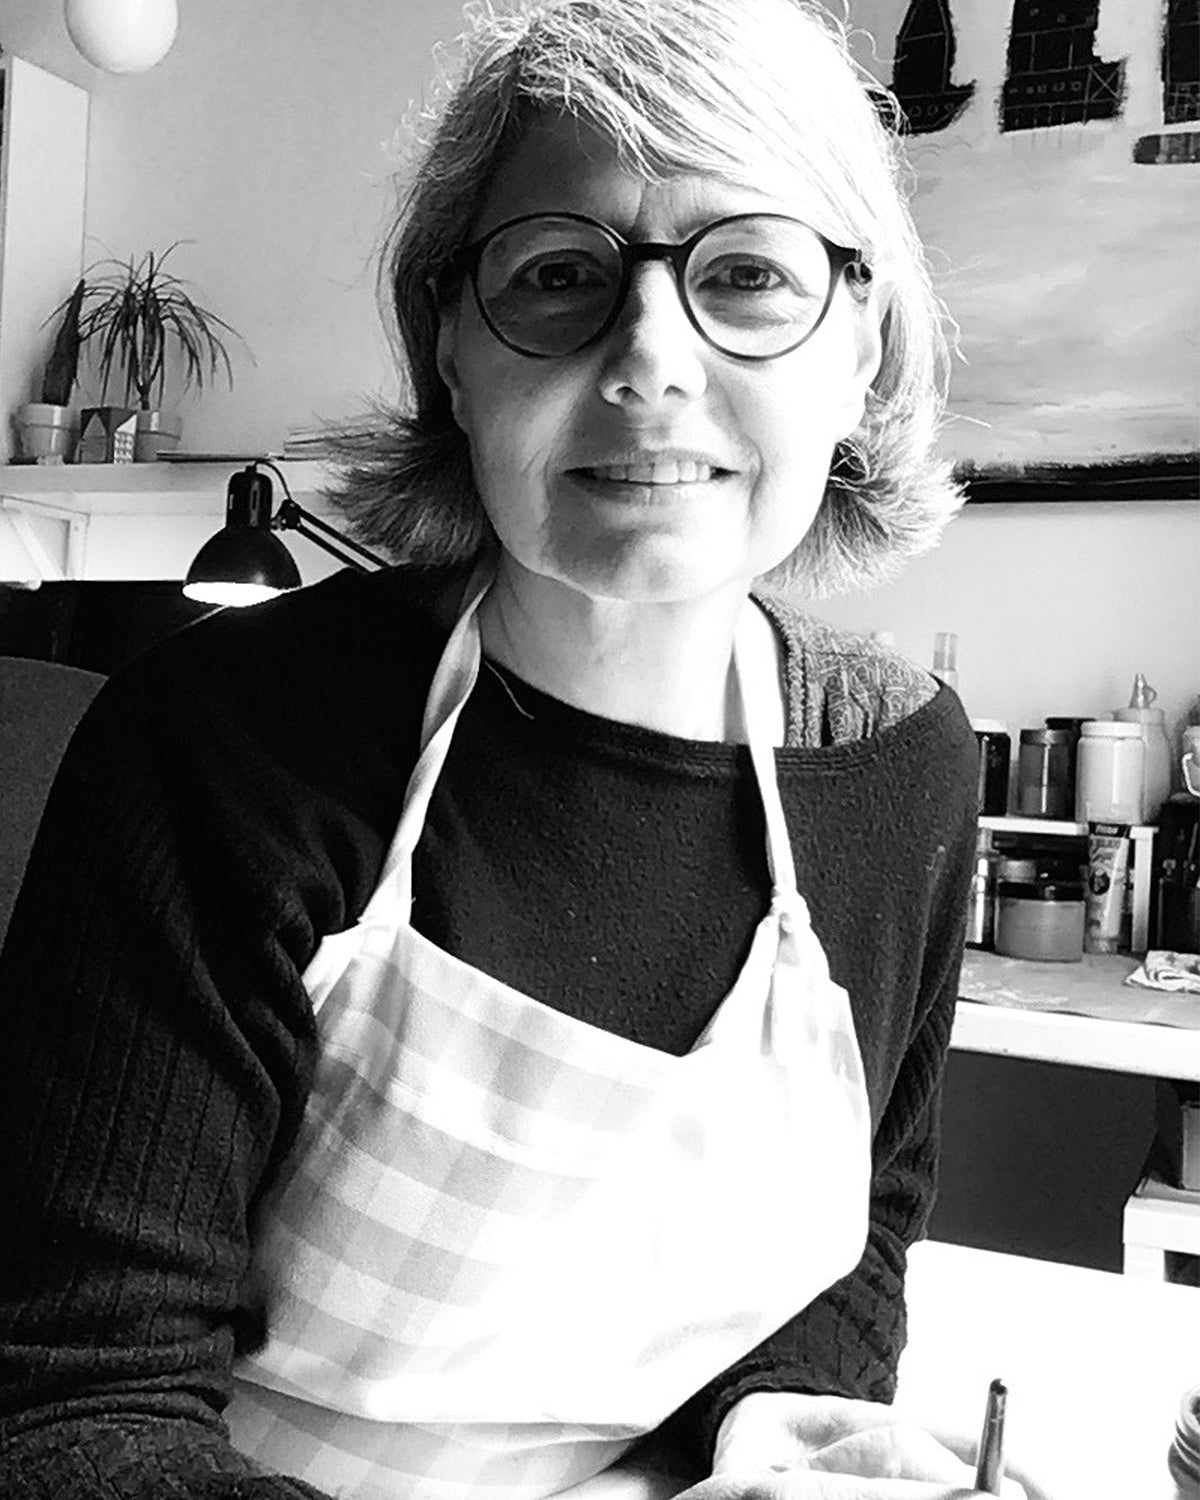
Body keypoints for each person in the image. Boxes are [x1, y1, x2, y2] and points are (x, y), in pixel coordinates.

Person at [0, 1, 1021, 1496]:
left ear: (860, 346)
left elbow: (854, 1256)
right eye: (559, 275)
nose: (649, 361)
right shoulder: (214, 751)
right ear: (452, 349)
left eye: (748, 275)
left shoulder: (904, 765)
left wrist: (783, 1448)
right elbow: (74, 1412)